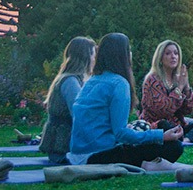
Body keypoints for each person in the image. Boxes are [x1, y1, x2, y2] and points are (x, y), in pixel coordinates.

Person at [68, 32, 184, 170]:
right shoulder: (118, 83)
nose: (130, 53)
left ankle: (149, 162)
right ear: (121, 55)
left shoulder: (91, 81)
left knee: (158, 133)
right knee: (173, 147)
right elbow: (121, 134)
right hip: (98, 156)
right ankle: (150, 164)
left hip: (76, 156)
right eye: (128, 50)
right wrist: (161, 136)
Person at [39, 36, 95, 165]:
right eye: (93, 55)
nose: (94, 60)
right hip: (63, 149)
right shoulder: (70, 81)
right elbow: (79, 114)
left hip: (66, 146)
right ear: (86, 57)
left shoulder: (75, 80)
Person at [140, 40, 193, 131]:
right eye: (168, 53)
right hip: (157, 125)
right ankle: (182, 136)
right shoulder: (152, 80)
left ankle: (186, 138)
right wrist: (179, 88)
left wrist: (186, 87)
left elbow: (190, 109)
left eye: (176, 53)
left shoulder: (178, 79)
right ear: (160, 58)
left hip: (177, 124)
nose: (173, 57)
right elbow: (162, 111)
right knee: (164, 124)